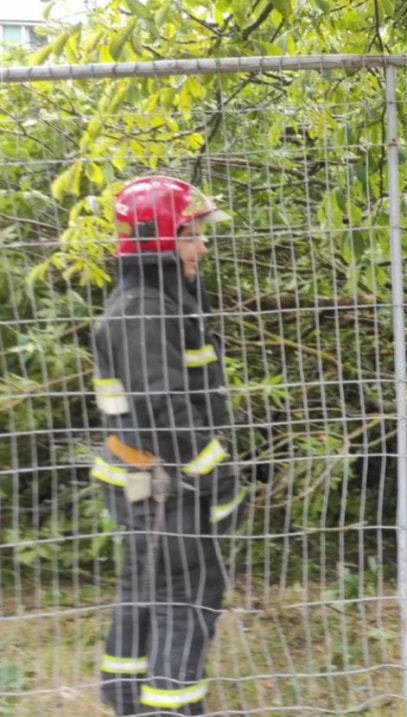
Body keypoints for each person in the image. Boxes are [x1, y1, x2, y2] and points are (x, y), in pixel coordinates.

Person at [91, 176, 244, 715]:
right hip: (163, 486)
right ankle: (170, 706)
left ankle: (125, 694)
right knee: (190, 599)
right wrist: (218, 478)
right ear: (160, 240)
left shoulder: (158, 298)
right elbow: (165, 411)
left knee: (146, 586)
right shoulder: (144, 311)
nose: (202, 246)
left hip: (146, 478)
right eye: (192, 235)